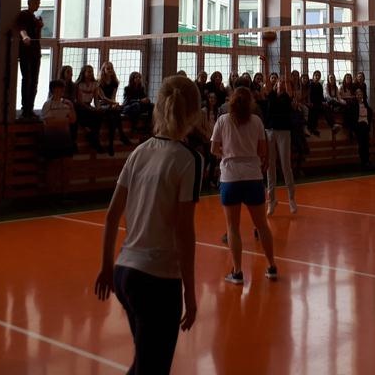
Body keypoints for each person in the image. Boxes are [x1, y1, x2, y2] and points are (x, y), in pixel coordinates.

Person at [95, 75, 203, 375]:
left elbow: (112, 216)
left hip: (125, 273)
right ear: (194, 114)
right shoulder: (189, 159)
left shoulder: (139, 152)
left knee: (145, 364)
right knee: (152, 367)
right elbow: (184, 232)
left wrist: (107, 268)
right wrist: (190, 293)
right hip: (158, 280)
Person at [211, 86, 277, 284]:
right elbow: (262, 150)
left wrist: (227, 154)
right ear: (251, 103)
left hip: (230, 176)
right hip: (252, 175)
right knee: (262, 225)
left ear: (231, 100)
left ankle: (238, 272)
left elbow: (213, 148)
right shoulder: (256, 121)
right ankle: (272, 266)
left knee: (233, 227)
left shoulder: (222, 120)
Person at [263, 69, 297, 216]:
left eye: (284, 81)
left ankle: (291, 198)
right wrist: (265, 63)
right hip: (270, 131)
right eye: (279, 81)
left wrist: (284, 66)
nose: (281, 83)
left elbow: (288, 82)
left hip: (284, 132)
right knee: (270, 166)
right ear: (276, 83)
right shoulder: (271, 94)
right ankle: (271, 200)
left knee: (285, 165)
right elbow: (267, 80)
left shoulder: (287, 96)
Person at [40, 80, 77, 192]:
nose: (61, 91)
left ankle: (64, 193)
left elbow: (73, 120)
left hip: (66, 139)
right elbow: (49, 123)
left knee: (66, 166)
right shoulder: (47, 104)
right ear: (53, 90)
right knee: (52, 166)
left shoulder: (67, 103)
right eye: (59, 88)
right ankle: (51, 193)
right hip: (52, 140)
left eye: (62, 89)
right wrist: (64, 121)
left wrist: (70, 110)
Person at [14, 0, 44, 120]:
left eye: (39, 3)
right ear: (30, 3)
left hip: (36, 52)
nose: (38, 5)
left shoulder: (37, 18)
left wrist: (40, 27)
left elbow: (38, 37)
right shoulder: (24, 14)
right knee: (27, 79)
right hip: (26, 53)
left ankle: (30, 108)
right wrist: (25, 37)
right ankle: (25, 109)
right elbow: (21, 29)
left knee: (34, 81)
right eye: (36, 3)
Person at [74, 65, 104, 153]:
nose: (91, 73)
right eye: (89, 71)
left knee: (99, 113)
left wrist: (98, 108)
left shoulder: (94, 84)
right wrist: (90, 109)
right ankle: (91, 134)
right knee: (83, 112)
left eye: (92, 71)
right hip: (80, 105)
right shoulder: (79, 84)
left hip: (88, 105)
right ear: (84, 73)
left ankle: (92, 134)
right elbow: (79, 101)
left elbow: (96, 99)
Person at [355, 83, 374, 172]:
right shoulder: (354, 105)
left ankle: (367, 161)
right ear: (356, 95)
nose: (359, 96)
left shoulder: (365, 104)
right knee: (362, 145)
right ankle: (363, 162)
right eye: (358, 94)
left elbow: (370, 113)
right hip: (359, 126)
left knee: (366, 144)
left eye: (361, 94)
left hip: (366, 126)